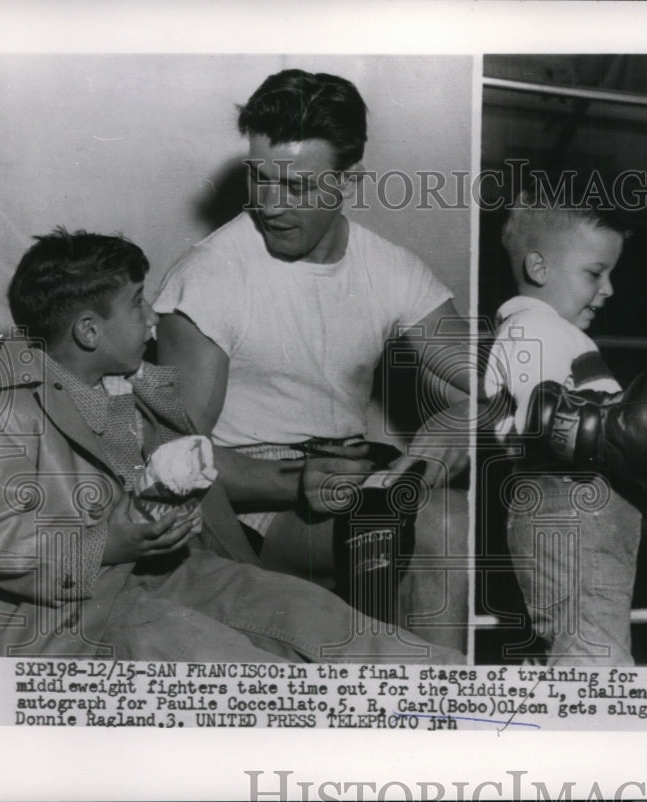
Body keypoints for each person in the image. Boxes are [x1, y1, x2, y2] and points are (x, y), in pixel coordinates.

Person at [0, 228, 462, 664]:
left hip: (166, 575)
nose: (153, 316)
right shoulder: (5, 411)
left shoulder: (131, 389)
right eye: (137, 303)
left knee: (318, 616)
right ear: (89, 331)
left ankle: (460, 701)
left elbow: (148, 488)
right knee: (241, 667)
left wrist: (171, 512)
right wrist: (108, 544)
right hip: (68, 618)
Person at [153, 69, 469, 650]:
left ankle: (436, 721)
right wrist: (293, 480)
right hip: (247, 512)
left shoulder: (391, 268)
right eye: (260, 180)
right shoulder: (210, 276)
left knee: (442, 520)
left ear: (348, 181)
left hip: (352, 482)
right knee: (430, 529)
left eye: (296, 187)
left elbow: (500, 382)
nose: (271, 206)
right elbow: (171, 461)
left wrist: (463, 421)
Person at [483, 187, 647, 665]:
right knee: (593, 654)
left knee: (594, 646)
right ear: (539, 268)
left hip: (583, 511)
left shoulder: (552, 330)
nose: (609, 289)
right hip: (566, 507)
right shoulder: (536, 327)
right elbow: (547, 421)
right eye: (595, 273)